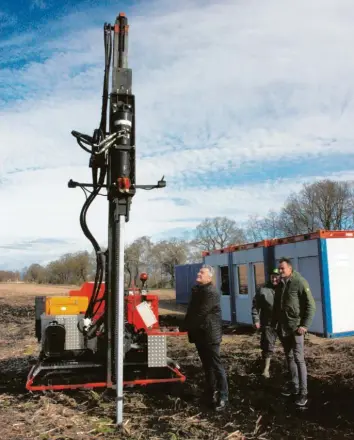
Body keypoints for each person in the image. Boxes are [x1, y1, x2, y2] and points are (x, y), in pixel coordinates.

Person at [181, 264, 228, 411]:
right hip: (199, 334)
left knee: (216, 365)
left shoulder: (211, 292)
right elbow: (191, 311)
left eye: (202, 272)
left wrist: (186, 326)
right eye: (199, 272)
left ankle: (223, 396)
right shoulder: (197, 290)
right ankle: (210, 393)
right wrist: (182, 325)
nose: (198, 274)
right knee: (207, 366)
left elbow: (201, 313)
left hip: (210, 334)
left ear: (210, 276)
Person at [271, 257, 316, 407]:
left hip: (296, 328)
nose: (280, 271)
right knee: (289, 358)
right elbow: (278, 307)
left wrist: (304, 325)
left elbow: (311, 305)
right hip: (283, 329)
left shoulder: (299, 282)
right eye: (279, 269)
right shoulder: (280, 285)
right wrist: (274, 324)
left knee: (299, 359)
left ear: (290, 268)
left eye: (283, 268)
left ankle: (303, 392)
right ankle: (294, 386)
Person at [251, 268, 280, 378]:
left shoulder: (286, 288)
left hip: (283, 323)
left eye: (276, 276)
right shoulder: (263, 289)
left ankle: (291, 370)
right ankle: (266, 369)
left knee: (290, 347)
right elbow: (255, 306)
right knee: (267, 346)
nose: (274, 278)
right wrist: (256, 320)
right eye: (272, 276)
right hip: (268, 323)